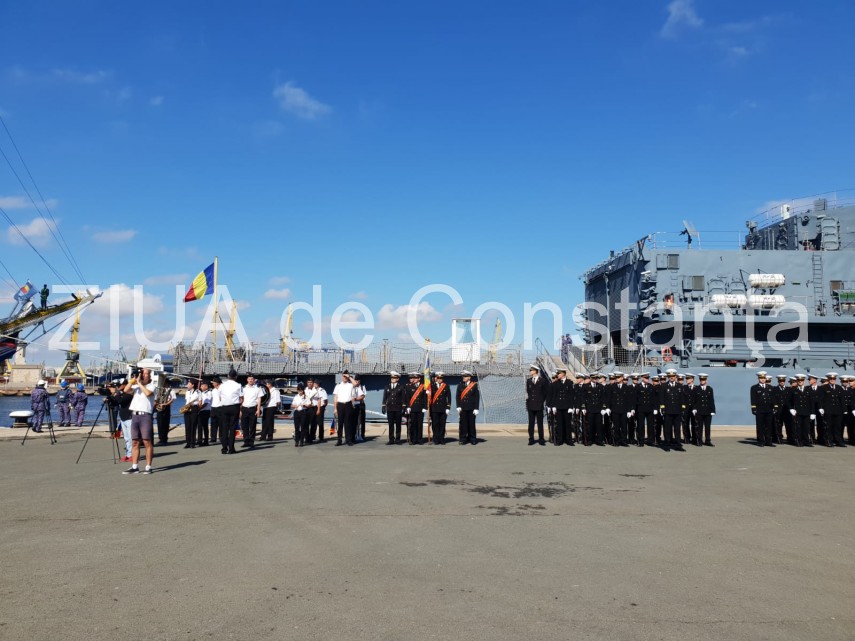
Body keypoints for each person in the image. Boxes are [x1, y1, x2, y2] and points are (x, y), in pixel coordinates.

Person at [121, 368, 156, 474]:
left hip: (145, 415)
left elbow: (148, 393)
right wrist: (133, 380)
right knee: (135, 442)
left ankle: (148, 466)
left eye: (145, 374)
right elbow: (126, 390)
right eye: (142, 373)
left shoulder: (152, 386)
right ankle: (135, 466)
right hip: (135, 415)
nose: (143, 375)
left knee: (146, 441)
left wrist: (139, 383)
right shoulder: (136, 386)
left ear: (149, 376)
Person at [658, 369, 685, 452]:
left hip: (677, 411)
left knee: (677, 429)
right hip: (668, 411)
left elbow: (682, 398)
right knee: (667, 429)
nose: (671, 377)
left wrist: (683, 408)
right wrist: (662, 408)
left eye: (673, 376)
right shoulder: (664, 386)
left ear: (675, 376)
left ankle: (677, 445)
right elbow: (661, 398)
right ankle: (667, 445)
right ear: (668, 377)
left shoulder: (679, 386)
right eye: (670, 376)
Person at [106, 381, 133, 461]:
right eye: (116, 386)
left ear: (125, 385)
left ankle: (132, 455)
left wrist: (114, 393)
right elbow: (116, 401)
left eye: (119, 385)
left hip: (129, 417)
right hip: (123, 417)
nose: (117, 387)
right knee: (126, 438)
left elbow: (121, 401)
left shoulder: (130, 393)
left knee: (131, 438)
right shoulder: (122, 394)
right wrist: (110, 397)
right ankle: (127, 454)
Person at [546, 367, 573, 446]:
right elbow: (554, 395)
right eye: (557, 373)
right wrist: (553, 406)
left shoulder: (569, 383)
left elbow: (571, 396)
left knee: (567, 424)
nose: (557, 375)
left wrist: (571, 407)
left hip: (567, 406)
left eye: (559, 373)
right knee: (559, 424)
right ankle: (560, 440)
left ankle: (569, 440)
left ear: (563, 374)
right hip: (558, 406)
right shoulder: (555, 384)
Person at [749, 371, 777, 447]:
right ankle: (760, 441)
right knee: (760, 426)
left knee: (769, 426)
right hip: (760, 409)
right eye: (761, 378)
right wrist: (753, 408)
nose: (763, 379)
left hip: (769, 409)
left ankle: (768, 441)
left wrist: (775, 407)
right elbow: (753, 399)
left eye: (764, 378)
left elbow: (773, 398)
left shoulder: (770, 387)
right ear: (758, 378)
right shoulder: (754, 388)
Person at [819, 372, 846, 447]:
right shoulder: (823, 388)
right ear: (828, 379)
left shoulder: (839, 388)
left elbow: (842, 400)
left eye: (833, 378)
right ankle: (829, 441)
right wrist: (820, 408)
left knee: (838, 427)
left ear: (835, 379)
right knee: (829, 427)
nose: (832, 380)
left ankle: (838, 441)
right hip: (828, 410)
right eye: (830, 378)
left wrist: (844, 410)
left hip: (838, 411)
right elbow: (821, 399)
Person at [218, 370, 242, 454]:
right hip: (234, 407)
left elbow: (220, 397)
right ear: (236, 377)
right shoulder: (238, 385)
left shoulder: (222, 385)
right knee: (232, 428)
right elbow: (241, 398)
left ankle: (224, 448)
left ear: (228, 376)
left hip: (224, 407)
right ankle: (231, 448)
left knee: (224, 428)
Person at [525, 365, 549, 446]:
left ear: (535, 371)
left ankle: (541, 439)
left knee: (540, 423)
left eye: (531, 370)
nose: (530, 371)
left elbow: (545, 392)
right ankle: (531, 439)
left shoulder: (542, 381)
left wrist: (541, 401)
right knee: (531, 423)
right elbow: (529, 391)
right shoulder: (529, 381)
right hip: (531, 404)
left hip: (539, 405)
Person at [789, 374, 815, 447]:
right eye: (799, 380)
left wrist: (813, 413)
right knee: (798, 427)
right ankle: (799, 441)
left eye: (801, 380)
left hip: (807, 412)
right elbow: (789, 401)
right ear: (797, 381)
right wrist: (791, 409)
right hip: (798, 412)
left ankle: (806, 441)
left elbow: (812, 402)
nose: (800, 381)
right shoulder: (793, 390)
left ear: (803, 381)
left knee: (806, 428)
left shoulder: (809, 390)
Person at [456, 370, 480, 445]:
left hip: (471, 408)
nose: (463, 377)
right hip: (463, 408)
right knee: (463, 424)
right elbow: (457, 396)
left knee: (471, 424)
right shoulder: (460, 385)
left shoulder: (474, 385)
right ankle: (463, 439)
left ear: (469, 377)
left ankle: (472, 438)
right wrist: (458, 406)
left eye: (465, 376)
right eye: (463, 376)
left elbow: (477, 397)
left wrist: (476, 408)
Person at [692, 373, 716, 446]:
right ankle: (699, 440)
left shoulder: (710, 389)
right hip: (699, 411)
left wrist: (713, 410)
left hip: (708, 411)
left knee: (707, 427)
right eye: (701, 379)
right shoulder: (696, 389)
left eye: (703, 379)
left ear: (706, 380)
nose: (702, 381)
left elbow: (711, 400)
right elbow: (694, 400)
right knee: (699, 427)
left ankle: (708, 440)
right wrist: (694, 408)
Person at [239, 375, 263, 448]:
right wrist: (240, 410)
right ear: (247, 380)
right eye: (249, 379)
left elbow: (259, 400)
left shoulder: (258, 388)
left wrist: (258, 410)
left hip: (253, 408)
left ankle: (251, 442)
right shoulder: (243, 388)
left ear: (254, 380)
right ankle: (246, 441)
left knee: (252, 426)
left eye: (252, 379)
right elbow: (241, 399)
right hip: (244, 408)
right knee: (244, 426)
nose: (250, 380)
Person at [382, 371, 405, 445]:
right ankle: (391, 439)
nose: (392, 379)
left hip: (398, 408)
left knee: (398, 424)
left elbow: (403, 398)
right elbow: (385, 397)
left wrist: (403, 407)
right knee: (390, 424)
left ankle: (397, 439)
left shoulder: (401, 387)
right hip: (390, 408)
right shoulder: (387, 387)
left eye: (394, 378)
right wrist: (383, 406)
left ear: (398, 379)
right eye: (392, 377)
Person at [634, 373, 656, 447]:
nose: (647, 379)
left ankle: (650, 441)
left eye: (648, 378)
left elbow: (653, 398)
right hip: (641, 409)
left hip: (650, 409)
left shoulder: (651, 386)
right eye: (646, 378)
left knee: (651, 425)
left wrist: (655, 408)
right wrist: (634, 408)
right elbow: (635, 398)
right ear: (642, 378)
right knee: (640, 425)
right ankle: (641, 441)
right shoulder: (638, 387)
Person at [405, 372, 428, 444]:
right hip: (412, 408)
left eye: (415, 378)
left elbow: (425, 398)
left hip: (421, 409)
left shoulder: (423, 387)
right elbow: (407, 398)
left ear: (419, 378)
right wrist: (408, 407)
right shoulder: (409, 386)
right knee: (413, 424)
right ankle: (414, 439)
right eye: (413, 378)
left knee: (420, 424)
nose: (414, 379)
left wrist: (425, 407)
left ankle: (420, 439)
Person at [333, 370, 354, 446]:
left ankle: (348, 440)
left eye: (346, 376)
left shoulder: (350, 385)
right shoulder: (338, 386)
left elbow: (355, 383)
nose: (345, 377)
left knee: (347, 423)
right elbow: (335, 398)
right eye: (344, 376)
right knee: (340, 423)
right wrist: (335, 408)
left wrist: (349, 377)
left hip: (348, 404)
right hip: (340, 405)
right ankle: (339, 440)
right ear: (342, 376)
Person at [430, 371, 451, 445]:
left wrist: (448, 407)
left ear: (442, 379)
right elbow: (429, 398)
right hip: (434, 408)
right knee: (435, 424)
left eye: (441, 378)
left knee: (442, 424)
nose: (439, 379)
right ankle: (435, 439)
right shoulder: (431, 386)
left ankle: (441, 439)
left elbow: (449, 397)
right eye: (438, 378)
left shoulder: (446, 386)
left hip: (443, 408)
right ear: (436, 378)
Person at [183, 379, 201, 448]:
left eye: (189, 384)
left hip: (194, 408)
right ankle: (188, 442)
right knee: (187, 426)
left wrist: (197, 409)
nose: (187, 385)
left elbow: (200, 402)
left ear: (193, 385)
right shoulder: (187, 392)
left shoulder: (198, 392)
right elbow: (187, 401)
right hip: (187, 408)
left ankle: (192, 442)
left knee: (193, 426)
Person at [350, 374, 365, 444]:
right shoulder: (351, 387)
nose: (357, 382)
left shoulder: (362, 387)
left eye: (358, 380)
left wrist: (356, 399)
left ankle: (361, 435)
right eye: (356, 380)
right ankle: (354, 435)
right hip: (353, 405)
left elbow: (363, 396)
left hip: (360, 405)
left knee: (361, 421)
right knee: (353, 422)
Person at [197, 381, 212, 446]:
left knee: (205, 426)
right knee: (199, 426)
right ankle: (199, 440)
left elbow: (206, 403)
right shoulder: (201, 393)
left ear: (206, 386)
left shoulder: (209, 393)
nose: (201, 387)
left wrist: (199, 408)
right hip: (201, 411)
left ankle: (206, 441)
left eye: (202, 386)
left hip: (206, 411)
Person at [209, 377, 223, 445]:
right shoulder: (213, 390)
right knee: (213, 424)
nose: (213, 384)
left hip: (220, 407)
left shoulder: (222, 389)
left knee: (221, 424)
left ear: (217, 383)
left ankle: (221, 437)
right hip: (213, 408)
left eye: (214, 383)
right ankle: (213, 438)